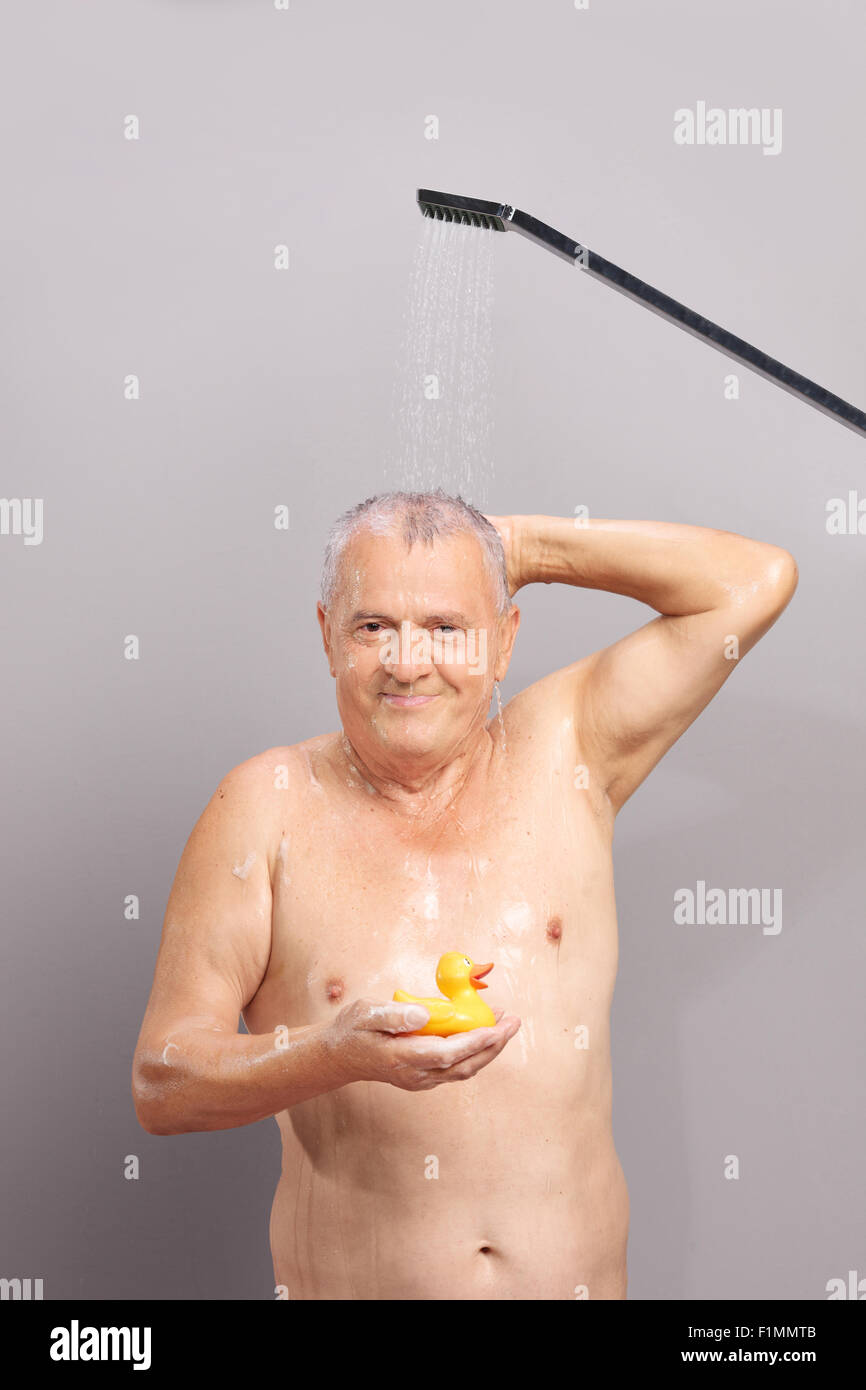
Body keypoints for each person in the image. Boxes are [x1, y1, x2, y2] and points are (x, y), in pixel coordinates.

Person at [132, 490, 797, 1299]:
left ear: (504, 640)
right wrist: (332, 1053)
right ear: (327, 637)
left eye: (448, 627)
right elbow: (164, 1082)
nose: (409, 663)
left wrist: (520, 549)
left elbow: (753, 580)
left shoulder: (569, 748)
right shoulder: (264, 806)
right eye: (373, 626)